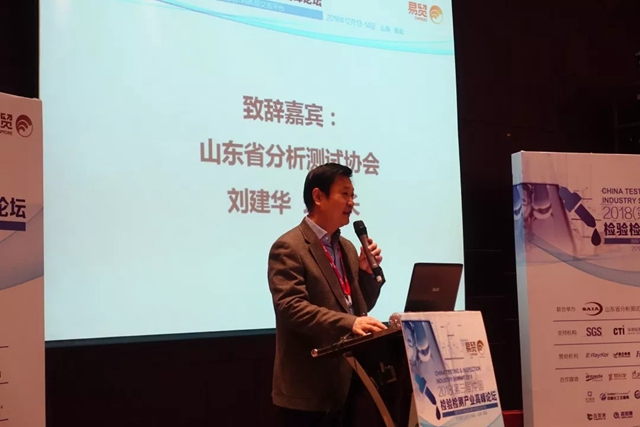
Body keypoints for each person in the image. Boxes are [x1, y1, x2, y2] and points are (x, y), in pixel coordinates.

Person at [267, 162, 388, 427]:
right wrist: (350, 323)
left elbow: (358, 306)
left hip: (347, 386)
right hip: (308, 391)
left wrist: (367, 274)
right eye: (344, 194)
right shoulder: (289, 247)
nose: (351, 202)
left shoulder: (346, 246)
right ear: (318, 197)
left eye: (353, 195)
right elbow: (291, 308)